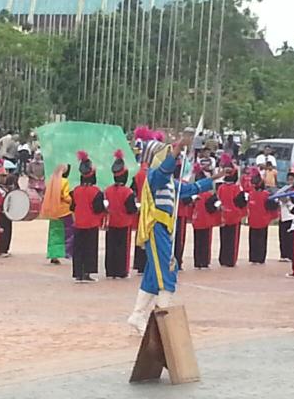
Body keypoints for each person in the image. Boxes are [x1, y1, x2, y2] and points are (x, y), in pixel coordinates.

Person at [127, 135, 221, 335]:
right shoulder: (153, 176)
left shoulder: (170, 182)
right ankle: (162, 321)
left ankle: (137, 315)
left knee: (154, 275)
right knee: (167, 270)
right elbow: (163, 171)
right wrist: (177, 150)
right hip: (156, 227)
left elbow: (189, 189)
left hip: (166, 228)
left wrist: (214, 178)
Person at [70, 152, 105, 283]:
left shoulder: (75, 190)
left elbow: (72, 207)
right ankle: (87, 272)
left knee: (78, 249)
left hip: (78, 224)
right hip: (91, 224)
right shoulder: (96, 191)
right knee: (90, 249)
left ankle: (78, 273)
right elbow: (98, 209)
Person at [104, 151, 138, 279]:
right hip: (124, 223)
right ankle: (121, 271)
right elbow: (131, 209)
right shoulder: (127, 192)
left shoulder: (108, 190)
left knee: (111, 247)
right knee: (123, 248)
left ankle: (110, 270)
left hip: (111, 222)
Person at [216, 154, 248, 267]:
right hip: (234, 216)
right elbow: (241, 203)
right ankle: (230, 260)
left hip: (224, 216)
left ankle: (223, 259)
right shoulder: (237, 188)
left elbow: (218, 200)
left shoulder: (220, 187)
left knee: (223, 239)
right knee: (233, 240)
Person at [40, 164, 74, 265]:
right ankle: (68, 252)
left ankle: (53, 255)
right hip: (64, 211)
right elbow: (66, 196)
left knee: (54, 233)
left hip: (53, 211)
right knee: (69, 232)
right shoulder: (64, 182)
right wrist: (73, 200)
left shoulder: (52, 181)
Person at [247, 168, 279, 264]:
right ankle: (258, 258)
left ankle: (256, 258)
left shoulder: (262, 195)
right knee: (259, 240)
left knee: (256, 240)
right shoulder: (253, 194)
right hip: (257, 220)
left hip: (259, 221)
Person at [191, 164, 220, 269]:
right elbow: (213, 207)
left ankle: (197, 262)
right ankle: (204, 261)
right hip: (206, 221)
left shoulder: (194, 195)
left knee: (197, 242)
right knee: (206, 243)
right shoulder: (208, 195)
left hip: (196, 220)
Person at [278, 163, 294, 262]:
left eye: (292, 180)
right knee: (282, 236)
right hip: (282, 215)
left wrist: (287, 199)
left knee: (290, 238)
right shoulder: (284, 189)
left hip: (291, 216)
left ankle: (290, 255)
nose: (290, 182)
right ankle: (283, 254)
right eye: (288, 180)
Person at [0, 172, 16, 257]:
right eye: (2, 176)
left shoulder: (7, 188)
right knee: (0, 232)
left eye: (5, 176)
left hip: (7, 213)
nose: (3, 178)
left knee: (8, 232)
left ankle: (5, 249)